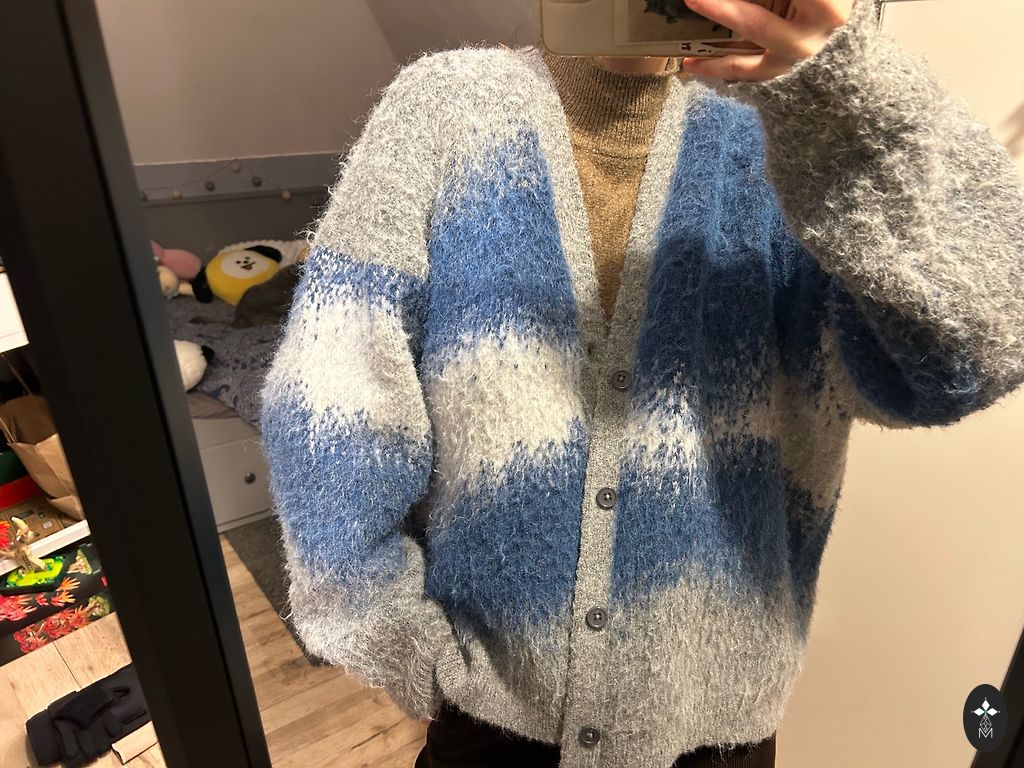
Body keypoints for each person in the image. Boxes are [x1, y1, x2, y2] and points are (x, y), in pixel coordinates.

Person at [258, 0, 1024, 766]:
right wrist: (395, 640)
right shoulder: (445, 110)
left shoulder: (789, 145)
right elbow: (333, 396)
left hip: (719, 735)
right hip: (492, 726)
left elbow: (974, 350)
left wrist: (850, 92)